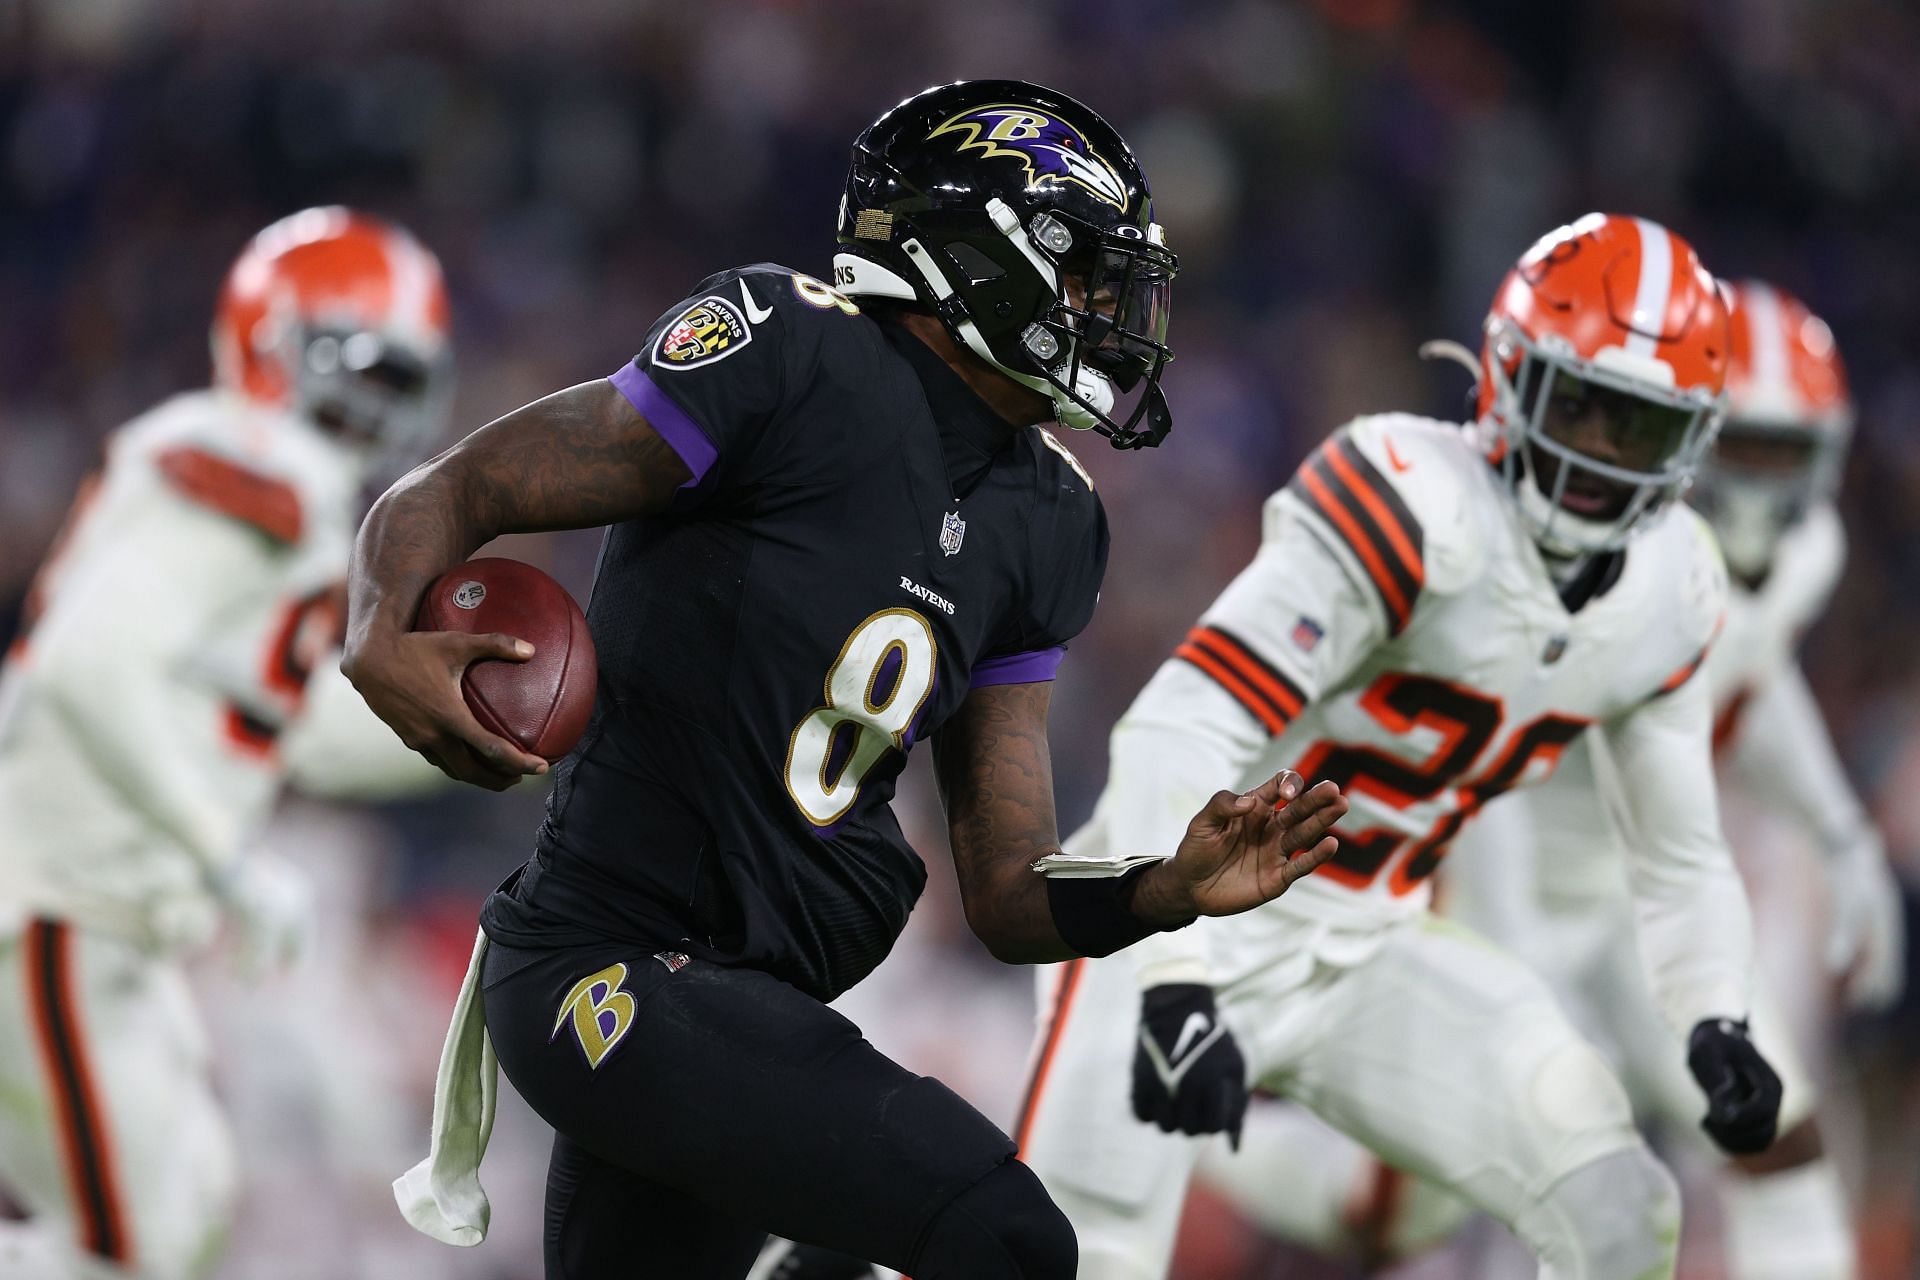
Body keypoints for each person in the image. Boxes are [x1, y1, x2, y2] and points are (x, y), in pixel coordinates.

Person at [346, 79, 1346, 1280]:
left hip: (744, 1003)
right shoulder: (791, 346)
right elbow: (458, 486)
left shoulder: (1051, 520)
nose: (1101, 309)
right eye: (1080, 271)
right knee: (1007, 1234)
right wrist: (379, 625)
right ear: (977, 252)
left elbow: (1006, 887)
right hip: (607, 966)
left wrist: (1160, 887)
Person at [1015, 213, 1784, 1280]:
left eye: (1639, 426)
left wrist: (1718, 1018)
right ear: (1512, 376)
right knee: (1077, 1253)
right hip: (1177, 908)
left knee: (1619, 1204)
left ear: (1690, 438)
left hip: (1370, 942)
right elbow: (1183, 721)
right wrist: (1175, 970)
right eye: (1583, 407)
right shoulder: (1414, 499)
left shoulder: (1673, 584)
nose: (1602, 452)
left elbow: (1679, 847)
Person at [1193, 279, 1904, 1280]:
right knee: (1407, 1203)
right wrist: (1514, 978)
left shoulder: (1801, 556)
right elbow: (1495, 770)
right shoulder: (1586, 563)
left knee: (1774, 1125)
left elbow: (1755, 667)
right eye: (1740, 444)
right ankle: (1188, 1126)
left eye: (1783, 452)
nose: (1758, 483)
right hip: (1483, 869)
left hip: (1623, 899)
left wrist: (1837, 830)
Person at [0, 206, 454, 1279]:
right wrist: (227, 858)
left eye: (401, 380)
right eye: (361, 366)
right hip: (58, 905)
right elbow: (86, 665)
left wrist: (487, 727)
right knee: (140, 1247)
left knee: (190, 1211)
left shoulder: (289, 488)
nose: (377, 404)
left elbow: (292, 726)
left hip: (102, 923)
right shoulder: (256, 461)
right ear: (272, 336)